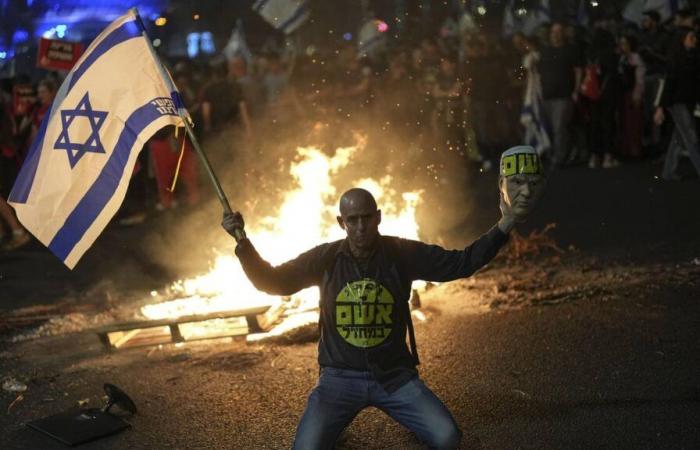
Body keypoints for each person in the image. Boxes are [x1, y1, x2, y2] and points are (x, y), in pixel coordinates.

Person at [221, 146, 545, 449]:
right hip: (338, 379)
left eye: (366, 218)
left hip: (394, 376)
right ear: (341, 223)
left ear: (378, 217)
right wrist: (242, 243)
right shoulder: (326, 258)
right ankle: (335, 421)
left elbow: (460, 263)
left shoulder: (401, 253)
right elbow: (273, 281)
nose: (361, 226)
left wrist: (505, 224)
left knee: (447, 438)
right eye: (353, 220)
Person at [655, 28, 700, 180]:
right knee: (690, 136)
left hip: (685, 102)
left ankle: (668, 172)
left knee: (679, 138)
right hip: (678, 102)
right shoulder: (678, 59)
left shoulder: (691, 57)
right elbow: (669, 84)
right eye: (691, 37)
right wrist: (661, 107)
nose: (694, 40)